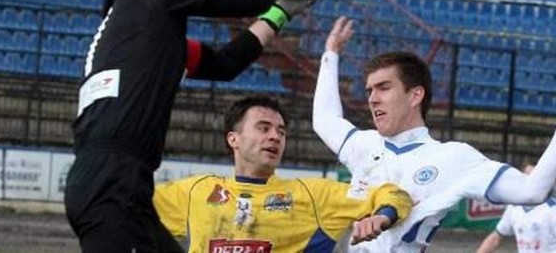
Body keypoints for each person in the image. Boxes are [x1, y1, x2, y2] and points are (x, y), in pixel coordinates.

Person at [64, 0, 323, 253]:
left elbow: (224, 63)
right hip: (113, 187)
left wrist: (281, 12)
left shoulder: (136, 31)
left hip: (113, 185)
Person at [312, 17, 556, 252]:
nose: (372, 98)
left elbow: (533, 190)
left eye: (384, 88)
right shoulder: (363, 145)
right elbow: (324, 119)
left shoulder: (452, 157)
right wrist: (330, 54)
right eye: (369, 90)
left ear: (415, 95)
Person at [153, 95, 413, 252]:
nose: (275, 137)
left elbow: (393, 193)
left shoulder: (314, 195)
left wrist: (382, 216)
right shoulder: (195, 192)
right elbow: (128, 201)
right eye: (263, 128)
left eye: (281, 132)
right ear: (234, 138)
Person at [476, 164, 556, 253]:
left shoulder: (553, 209)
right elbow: (495, 238)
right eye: (526, 176)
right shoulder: (513, 207)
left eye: (533, 176)